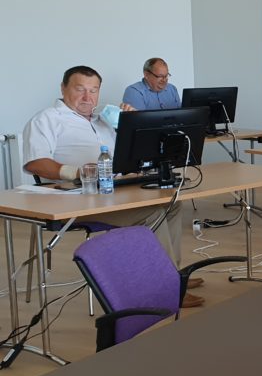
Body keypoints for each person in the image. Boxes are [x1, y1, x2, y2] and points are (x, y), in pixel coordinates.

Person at [22, 66, 202, 307]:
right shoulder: (46, 119)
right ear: (63, 89)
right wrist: (78, 173)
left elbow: (128, 157)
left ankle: (171, 274)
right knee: (151, 213)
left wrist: (132, 124)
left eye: (93, 90)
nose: (87, 97)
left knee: (171, 203)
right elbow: (35, 163)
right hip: (77, 199)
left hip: (115, 190)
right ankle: (166, 289)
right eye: (80, 89)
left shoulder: (103, 120)